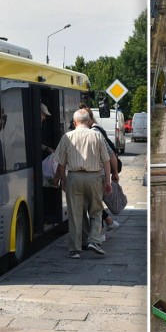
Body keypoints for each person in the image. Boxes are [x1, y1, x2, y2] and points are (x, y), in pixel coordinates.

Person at [53, 109, 112, 259]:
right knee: (96, 211)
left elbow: (60, 162)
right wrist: (108, 181)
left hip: (74, 177)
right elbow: (106, 160)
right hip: (94, 177)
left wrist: (63, 180)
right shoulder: (97, 136)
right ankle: (94, 240)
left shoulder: (67, 136)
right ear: (88, 121)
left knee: (75, 214)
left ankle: (75, 250)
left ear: (74, 122)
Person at [79, 103, 121, 239]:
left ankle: (100, 233)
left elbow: (111, 156)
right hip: (97, 175)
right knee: (94, 202)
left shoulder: (95, 133)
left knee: (94, 204)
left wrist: (113, 174)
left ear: (87, 120)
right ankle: (107, 224)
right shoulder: (96, 130)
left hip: (99, 174)